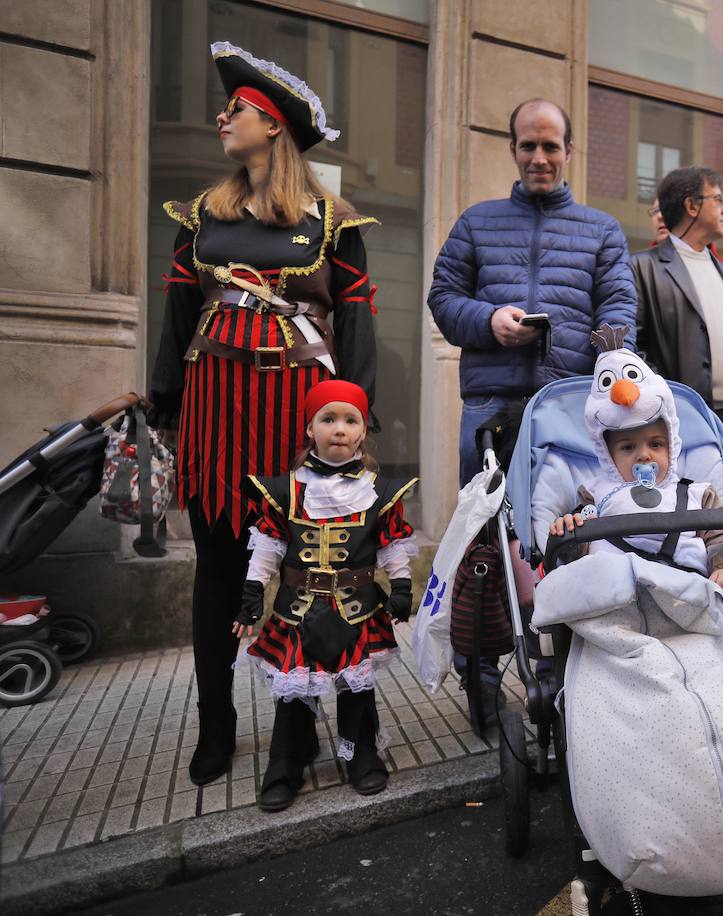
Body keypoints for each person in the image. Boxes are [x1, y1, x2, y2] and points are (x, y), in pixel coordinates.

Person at [148, 42, 378, 786]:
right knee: (217, 567)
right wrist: (163, 407)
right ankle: (216, 722)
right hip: (215, 406)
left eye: (238, 111)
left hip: (295, 412)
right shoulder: (203, 215)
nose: (224, 118)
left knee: (306, 573)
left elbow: (360, 325)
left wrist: (357, 417)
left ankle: (298, 729)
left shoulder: (332, 221)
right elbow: (179, 312)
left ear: (274, 127)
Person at [427, 98, 636, 706]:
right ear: (513, 149)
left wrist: (607, 351)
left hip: (568, 406)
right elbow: (443, 298)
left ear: (569, 151)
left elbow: (620, 307)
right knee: (484, 542)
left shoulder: (600, 229)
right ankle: (481, 669)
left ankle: (572, 665)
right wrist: (490, 321)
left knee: (569, 532)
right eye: (528, 146)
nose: (539, 157)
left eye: (551, 146)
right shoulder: (476, 221)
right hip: (490, 404)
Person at [234, 380, 417, 811]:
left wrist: (403, 585)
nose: (339, 429)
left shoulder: (379, 491)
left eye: (349, 420)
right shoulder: (285, 490)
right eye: (328, 419)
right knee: (294, 694)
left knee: (357, 690)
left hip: (358, 609)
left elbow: (391, 544)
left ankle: (361, 757)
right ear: (309, 430)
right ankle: (286, 763)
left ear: (362, 432)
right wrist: (252, 592)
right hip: (297, 611)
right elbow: (268, 546)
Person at [548, 329, 723, 596]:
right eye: (628, 447)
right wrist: (568, 535)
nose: (644, 455)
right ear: (608, 455)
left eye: (656, 444)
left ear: (672, 446)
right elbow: (578, 559)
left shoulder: (698, 496)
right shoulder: (595, 498)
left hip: (687, 593)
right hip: (617, 599)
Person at [631, 166, 723, 470]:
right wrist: (665, 404)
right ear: (691, 206)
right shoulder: (642, 269)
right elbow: (631, 350)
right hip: (677, 426)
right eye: (718, 199)